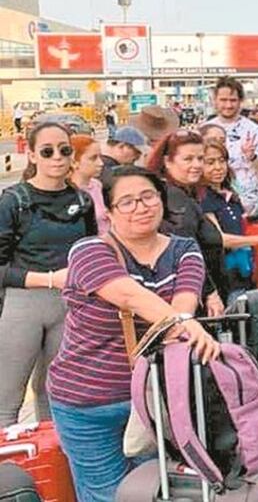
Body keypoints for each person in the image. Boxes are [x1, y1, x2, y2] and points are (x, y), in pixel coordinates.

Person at [46, 166, 219, 502]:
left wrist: (183, 321)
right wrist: (184, 323)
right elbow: (129, 296)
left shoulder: (184, 249)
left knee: (158, 490)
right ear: (109, 212)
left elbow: (184, 304)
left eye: (147, 196)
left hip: (155, 398)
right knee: (105, 495)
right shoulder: (88, 251)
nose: (140, 207)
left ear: (161, 200)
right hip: (86, 402)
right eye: (126, 202)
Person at [0, 122, 98, 427]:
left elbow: (91, 251)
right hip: (22, 305)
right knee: (7, 399)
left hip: (69, 306)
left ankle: (53, 465)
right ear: (31, 155)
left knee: (56, 395)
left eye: (64, 150)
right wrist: (51, 279)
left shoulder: (83, 201)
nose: (57, 157)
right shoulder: (13, 201)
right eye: (47, 151)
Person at [146, 130, 225, 317]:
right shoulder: (175, 199)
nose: (197, 165)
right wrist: (210, 293)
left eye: (200, 158)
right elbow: (186, 251)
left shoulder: (180, 194)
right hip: (193, 297)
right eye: (188, 159)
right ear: (167, 161)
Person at [199, 139, 258, 303]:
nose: (218, 167)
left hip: (246, 270)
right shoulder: (204, 198)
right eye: (210, 162)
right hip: (224, 276)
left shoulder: (230, 194)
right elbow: (220, 239)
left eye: (222, 161)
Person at [206, 77, 258, 214]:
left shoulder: (254, 130)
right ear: (215, 101)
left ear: (240, 102)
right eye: (223, 100)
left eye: (233, 100)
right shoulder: (204, 130)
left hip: (250, 206)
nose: (228, 105)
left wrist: (252, 157)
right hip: (213, 203)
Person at [70, 134, 109, 235]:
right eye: (93, 158)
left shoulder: (97, 185)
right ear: (74, 162)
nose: (101, 163)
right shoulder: (69, 192)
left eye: (100, 157)